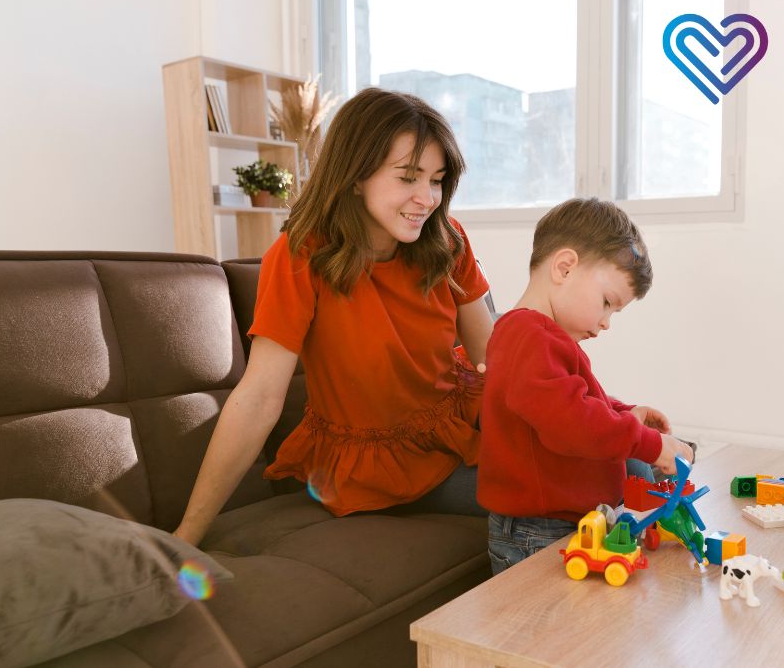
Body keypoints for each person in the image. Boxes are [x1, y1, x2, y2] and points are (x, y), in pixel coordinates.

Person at [173, 88, 493, 545]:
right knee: (561, 490)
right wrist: (187, 533)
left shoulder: (447, 238)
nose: (428, 199)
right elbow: (259, 398)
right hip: (374, 466)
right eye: (408, 177)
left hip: (453, 426)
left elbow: (496, 360)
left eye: (437, 180)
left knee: (617, 464)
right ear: (355, 175)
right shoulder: (299, 256)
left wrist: (596, 416)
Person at [476, 197, 694, 574]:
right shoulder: (527, 337)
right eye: (607, 302)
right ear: (564, 267)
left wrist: (624, 414)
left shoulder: (542, 338)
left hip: (560, 522)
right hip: (538, 530)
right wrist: (652, 446)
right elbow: (571, 422)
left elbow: (574, 400)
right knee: (547, 629)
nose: (606, 322)